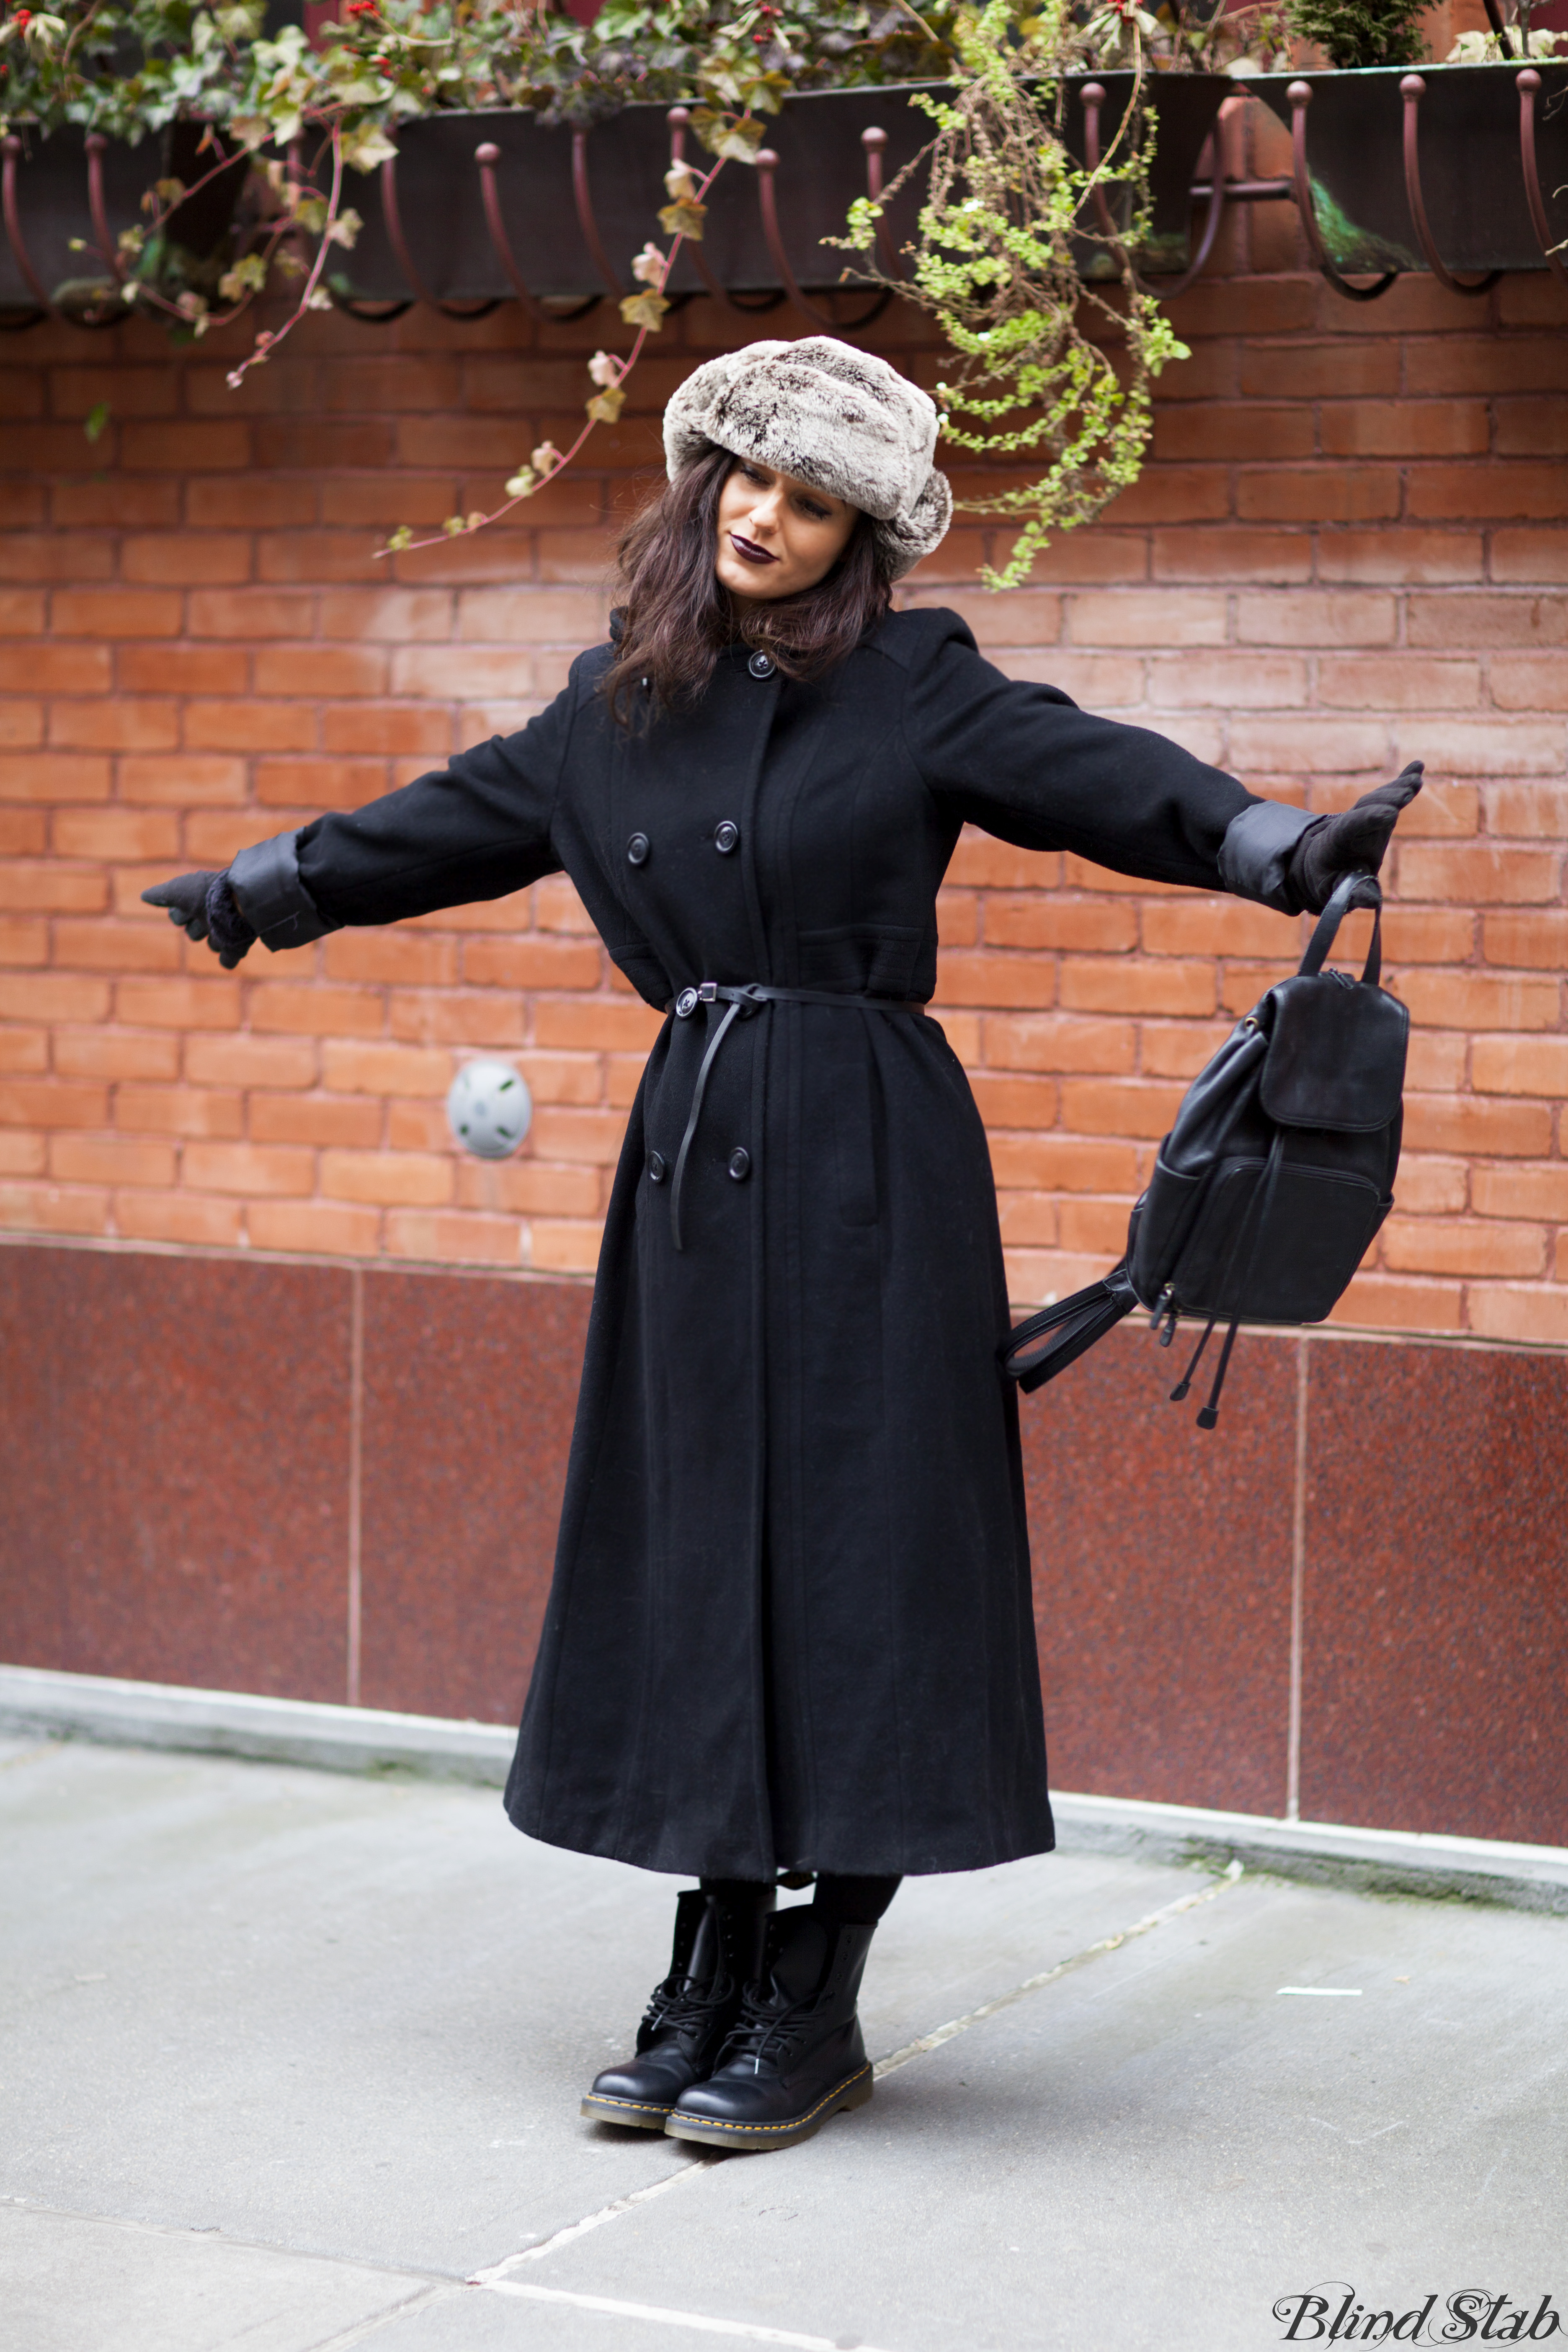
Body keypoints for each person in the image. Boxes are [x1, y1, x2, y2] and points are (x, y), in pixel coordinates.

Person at [144, 336, 1421, 2155]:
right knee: (703, 1555)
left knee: (866, 1555)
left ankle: (814, 1998)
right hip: (693, 1166)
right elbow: (455, 819)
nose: (767, 516)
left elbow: (1089, 773)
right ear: (703, 485)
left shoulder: (918, 682)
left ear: (863, 534)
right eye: (749, 479)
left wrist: (1282, 845)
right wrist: (266, 892)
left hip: (872, 1161)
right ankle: (713, 1953)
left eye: (813, 499)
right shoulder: (616, 702)